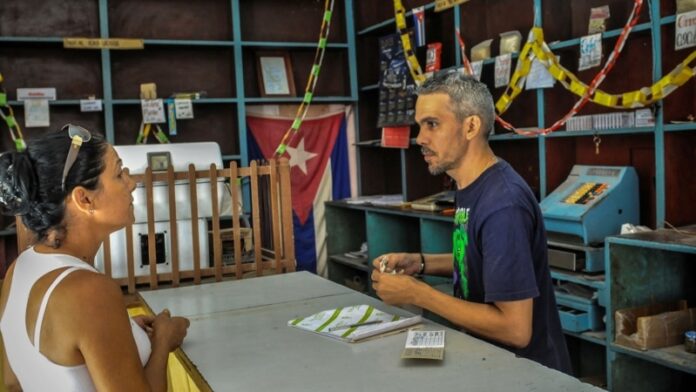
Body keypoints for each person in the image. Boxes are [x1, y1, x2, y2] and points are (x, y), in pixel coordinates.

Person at [371, 72, 572, 374]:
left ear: (471, 126)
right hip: (492, 365)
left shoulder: (503, 205)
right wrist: (422, 263)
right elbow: (484, 258)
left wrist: (417, 293)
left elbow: (516, 329)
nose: (420, 138)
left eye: (432, 124)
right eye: (420, 126)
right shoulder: (473, 186)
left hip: (526, 377)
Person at [0, 125, 190, 391]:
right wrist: (163, 342)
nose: (131, 183)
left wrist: (122, 332)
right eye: (118, 173)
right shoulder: (89, 291)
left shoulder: (19, 269)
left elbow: (13, 382)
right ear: (84, 199)